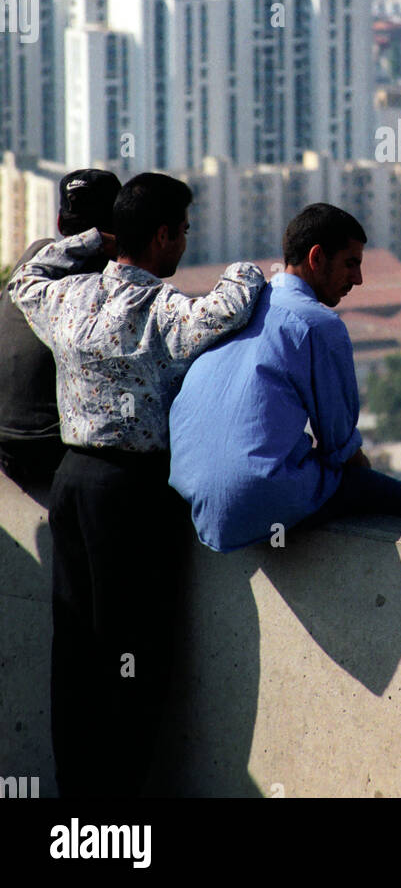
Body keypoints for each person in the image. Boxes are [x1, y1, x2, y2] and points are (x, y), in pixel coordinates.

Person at [8, 172, 265, 798]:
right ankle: (119, 802)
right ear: (161, 237)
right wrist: (248, 269)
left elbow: (26, 276)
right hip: (133, 494)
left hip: (72, 484)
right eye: (182, 231)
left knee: (76, 646)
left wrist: (97, 236)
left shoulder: (67, 298)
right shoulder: (163, 313)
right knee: (135, 653)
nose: (185, 242)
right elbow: (232, 303)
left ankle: (78, 793)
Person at [168, 203, 401, 553]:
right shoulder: (318, 325)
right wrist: (364, 481)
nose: (358, 279)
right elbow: (340, 447)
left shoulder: (240, 305)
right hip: (260, 496)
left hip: (191, 494)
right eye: (351, 264)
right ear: (317, 257)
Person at [0, 168, 120, 490]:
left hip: (5, 441)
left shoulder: (36, 257)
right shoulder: (103, 285)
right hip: (51, 451)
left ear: (58, 222)